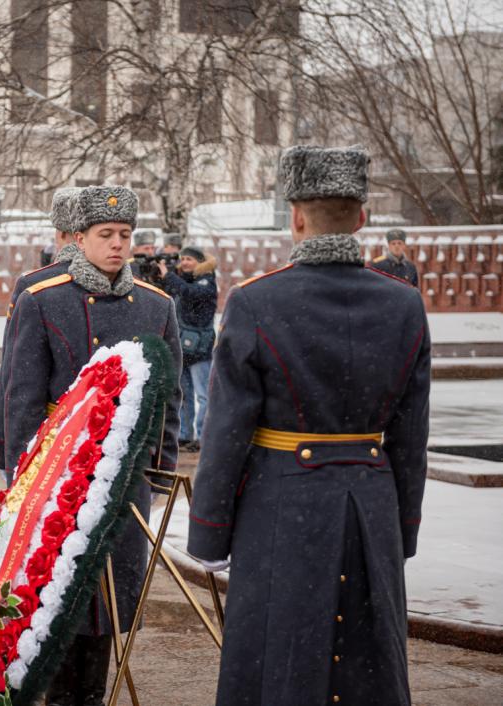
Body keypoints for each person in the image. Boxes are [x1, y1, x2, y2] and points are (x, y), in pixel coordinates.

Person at [187, 145, 431, 706]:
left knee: (278, 662)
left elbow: (227, 427)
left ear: (295, 217)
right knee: (367, 667)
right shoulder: (404, 304)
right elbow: (411, 436)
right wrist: (404, 528)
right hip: (372, 504)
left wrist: (209, 529)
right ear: (362, 218)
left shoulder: (254, 300)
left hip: (281, 504)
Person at [5, 185, 182, 706]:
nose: (117, 245)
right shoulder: (43, 300)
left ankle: (90, 693)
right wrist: (23, 474)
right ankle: (58, 692)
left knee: (108, 594)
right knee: (57, 588)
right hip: (59, 478)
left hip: (123, 480)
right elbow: (23, 398)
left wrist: (159, 466)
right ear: (78, 238)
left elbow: (166, 399)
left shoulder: (156, 306)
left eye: (125, 235)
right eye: (105, 235)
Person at [0, 186, 81, 483]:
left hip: (43, 430)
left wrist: (6, 449)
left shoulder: (34, 284)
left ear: (58, 234)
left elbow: (15, 375)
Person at [159, 244, 218, 451]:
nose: (184, 262)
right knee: (183, 393)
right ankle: (184, 435)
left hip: (200, 348)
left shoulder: (207, 282)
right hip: (183, 347)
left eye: (189, 259)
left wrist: (168, 275)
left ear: (199, 262)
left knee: (203, 395)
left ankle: (203, 437)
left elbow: (190, 293)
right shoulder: (184, 280)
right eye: (182, 259)